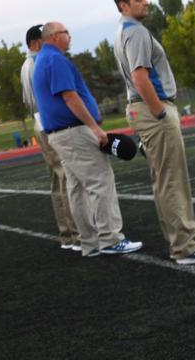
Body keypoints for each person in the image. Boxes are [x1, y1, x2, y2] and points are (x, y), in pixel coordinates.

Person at [112, 0, 195, 265]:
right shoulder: (135, 32)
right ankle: (185, 247)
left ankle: (181, 242)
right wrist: (160, 112)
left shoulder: (125, 31)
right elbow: (140, 77)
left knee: (165, 180)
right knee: (173, 180)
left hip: (143, 110)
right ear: (124, 5)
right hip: (153, 111)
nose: (145, 1)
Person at [32, 22, 142, 258]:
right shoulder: (56, 60)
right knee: (100, 180)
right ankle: (110, 238)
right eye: (65, 33)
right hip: (74, 131)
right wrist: (94, 128)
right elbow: (70, 97)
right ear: (53, 36)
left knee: (77, 188)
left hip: (61, 134)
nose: (69, 36)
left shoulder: (42, 60)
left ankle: (90, 242)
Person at [19, 24, 80, 251]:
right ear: (35, 43)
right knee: (66, 177)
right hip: (48, 122)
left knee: (56, 180)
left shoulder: (26, 65)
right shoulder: (38, 63)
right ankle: (76, 234)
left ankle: (66, 233)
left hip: (38, 122)